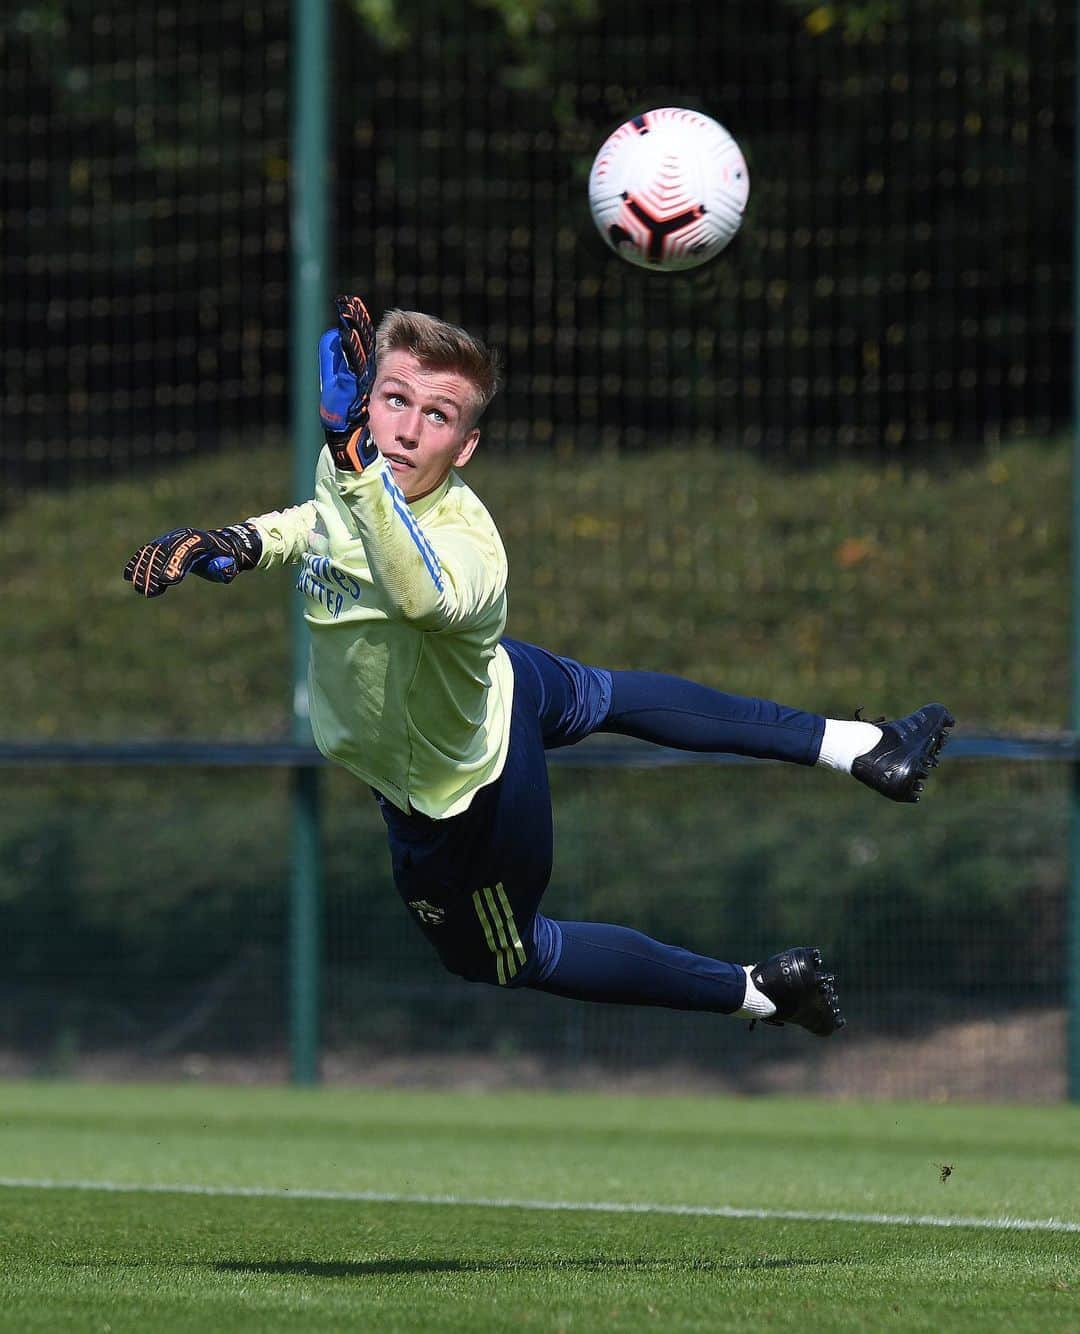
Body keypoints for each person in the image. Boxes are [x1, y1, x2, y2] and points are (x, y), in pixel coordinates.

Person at [124, 296, 954, 1039]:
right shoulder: (358, 470)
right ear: (366, 400)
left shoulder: (467, 545)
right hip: (498, 684)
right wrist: (239, 541)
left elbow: (416, 596)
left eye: (438, 416)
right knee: (608, 695)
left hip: (461, 792)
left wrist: (352, 460)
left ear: (469, 444)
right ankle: (862, 745)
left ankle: (759, 991)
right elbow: (324, 521)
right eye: (393, 399)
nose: (407, 429)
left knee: (508, 955)